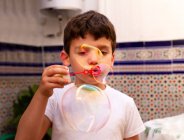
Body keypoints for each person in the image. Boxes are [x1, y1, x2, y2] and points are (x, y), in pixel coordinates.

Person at [15, 10, 145, 140]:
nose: (94, 60)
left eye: (103, 52)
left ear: (112, 59)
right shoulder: (56, 98)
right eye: (83, 52)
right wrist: (42, 94)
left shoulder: (125, 104)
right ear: (66, 58)